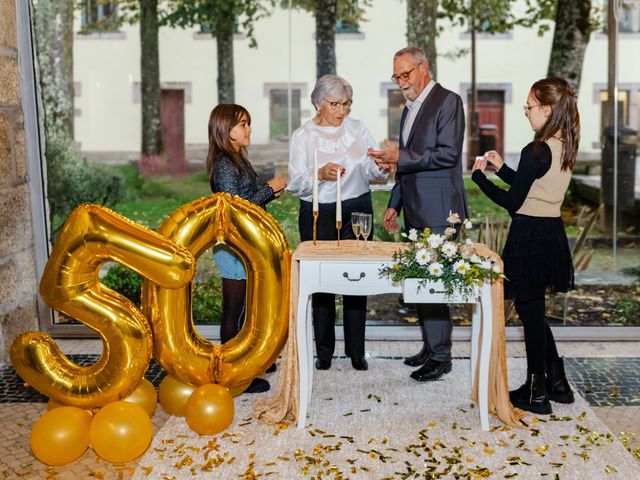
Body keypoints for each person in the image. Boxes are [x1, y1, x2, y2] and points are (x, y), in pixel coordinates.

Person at [471, 77, 578, 414]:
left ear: (546, 109)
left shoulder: (537, 148)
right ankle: (556, 382)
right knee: (534, 310)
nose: (526, 113)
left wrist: (479, 177)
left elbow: (514, 202)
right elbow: (532, 185)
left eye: (529, 107)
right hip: (551, 234)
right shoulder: (564, 145)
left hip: (529, 235)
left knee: (531, 316)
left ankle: (536, 391)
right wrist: (502, 168)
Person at [369, 47, 467, 382]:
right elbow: (406, 165)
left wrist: (400, 156)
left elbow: (448, 154)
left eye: (405, 74)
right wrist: (394, 202)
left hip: (440, 210)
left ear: (423, 68)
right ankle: (430, 346)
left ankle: (442, 357)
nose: (401, 82)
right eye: (396, 77)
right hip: (415, 208)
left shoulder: (448, 101)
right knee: (421, 281)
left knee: (435, 282)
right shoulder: (409, 109)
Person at [287, 74, 388, 371]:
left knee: (357, 278)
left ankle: (357, 351)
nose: (342, 110)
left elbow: (374, 172)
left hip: (357, 207)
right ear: (318, 104)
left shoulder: (358, 130)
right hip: (319, 212)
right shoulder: (303, 136)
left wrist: (382, 167)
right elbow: (295, 183)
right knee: (322, 281)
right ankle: (325, 352)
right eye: (335, 104)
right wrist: (319, 175)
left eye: (346, 103)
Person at [206, 103, 287, 393]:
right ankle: (233, 375)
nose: (248, 129)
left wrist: (270, 193)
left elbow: (247, 198)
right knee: (234, 312)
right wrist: (268, 188)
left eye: (248, 123)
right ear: (225, 130)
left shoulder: (236, 158)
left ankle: (247, 361)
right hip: (233, 247)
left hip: (244, 247)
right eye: (242, 124)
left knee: (246, 309)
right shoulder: (225, 164)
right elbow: (236, 210)